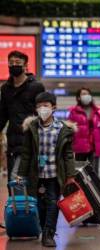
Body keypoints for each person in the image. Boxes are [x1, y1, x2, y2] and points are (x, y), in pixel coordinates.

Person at [17, 92, 76, 247]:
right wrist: (21, 174)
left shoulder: (62, 129)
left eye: (46, 105)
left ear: (54, 108)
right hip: (36, 174)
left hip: (55, 174)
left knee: (52, 203)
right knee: (38, 205)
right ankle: (44, 228)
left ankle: (49, 233)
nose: (42, 108)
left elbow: (68, 155)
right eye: (39, 106)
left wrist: (71, 175)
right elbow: (26, 153)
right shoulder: (32, 128)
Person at [0, 50, 45, 186]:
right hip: (13, 142)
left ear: (26, 66)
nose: (14, 65)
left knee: (27, 182)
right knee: (13, 183)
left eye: (18, 63)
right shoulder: (5, 89)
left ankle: (30, 207)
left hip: (32, 140)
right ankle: (17, 207)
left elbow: (43, 113)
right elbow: (2, 115)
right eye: (11, 63)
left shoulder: (36, 87)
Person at [68, 87, 100, 175]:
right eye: (83, 94)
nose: (86, 96)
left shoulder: (98, 111)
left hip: (94, 146)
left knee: (93, 172)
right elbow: (70, 129)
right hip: (80, 146)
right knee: (79, 172)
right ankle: (81, 189)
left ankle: (94, 189)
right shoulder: (74, 111)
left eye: (87, 94)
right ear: (78, 97)